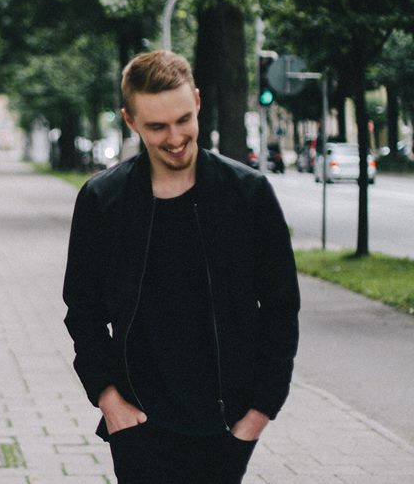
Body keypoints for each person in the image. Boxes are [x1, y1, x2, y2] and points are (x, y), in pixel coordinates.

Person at [62, 50, 300, 483]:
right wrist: (109, 399)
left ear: (197, 101)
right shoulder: (104, 201)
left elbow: (281, 309)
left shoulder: (247, 195)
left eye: (183, 120)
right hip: (138, 423)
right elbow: (83, 312)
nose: (175, 138)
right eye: (157, 126)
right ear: (130, 121)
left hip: (227, 426)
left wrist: (258, 414)